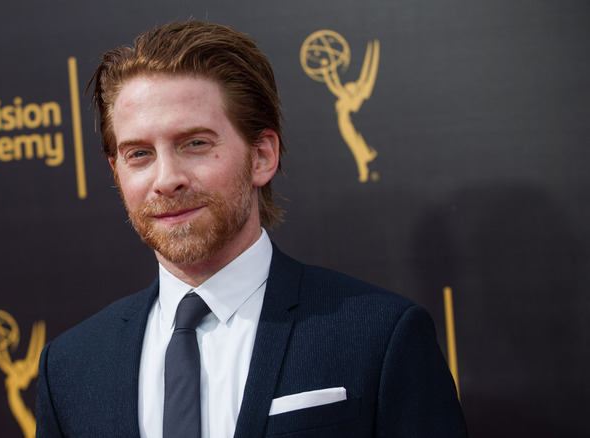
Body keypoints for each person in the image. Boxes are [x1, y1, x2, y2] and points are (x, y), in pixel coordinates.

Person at [35, 20, 467, 437]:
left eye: (196, 143)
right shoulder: (70, 367)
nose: (166, 179)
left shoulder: (379, 335)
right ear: (116, 172)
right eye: (139, 154)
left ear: (262, 157)